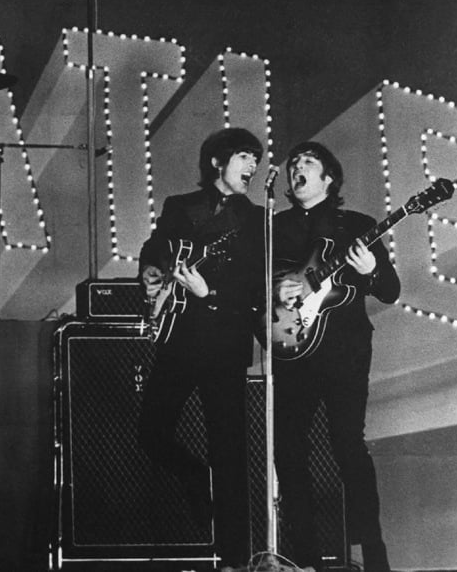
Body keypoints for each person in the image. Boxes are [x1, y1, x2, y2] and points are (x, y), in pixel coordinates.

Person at [138, 127, 264, 570]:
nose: (252, 166)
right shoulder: (180, 207)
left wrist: (209, 293)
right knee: (151, 431)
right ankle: (195, 476)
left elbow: (255, 288)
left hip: (225, 343)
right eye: (244, 156)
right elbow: (154, 249)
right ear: (217, 162)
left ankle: (236, 559)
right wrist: (152, 275)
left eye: (256, 159)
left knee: (229, 452)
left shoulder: (255, 219)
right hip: (180, 338)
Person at [272, 141, 399, 572]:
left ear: (329, 178)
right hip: (293, 350)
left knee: (348, 446)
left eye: (308, 163)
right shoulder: (275, 227)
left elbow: (390, 290)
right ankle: (305, 559)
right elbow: (254, 285)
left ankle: (373, 555)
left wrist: (371, 271)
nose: (297, 170)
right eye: (293, 166)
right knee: (288, 450)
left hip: (344, 352)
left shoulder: (357, 226)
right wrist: (276, 289)